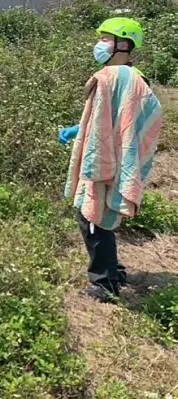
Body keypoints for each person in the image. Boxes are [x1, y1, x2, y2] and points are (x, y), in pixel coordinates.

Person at [59, 17, 164, 302]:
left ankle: (104, 284)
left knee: (92, 216)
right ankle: (114, 271)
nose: (100, 44)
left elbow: (125, 122)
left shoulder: (118, 77)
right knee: (99, 215)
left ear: (123, 44)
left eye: (106, 39)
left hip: (110, 158)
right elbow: (109, 120)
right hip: (111, 152)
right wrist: (80, 130)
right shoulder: (122, 76)